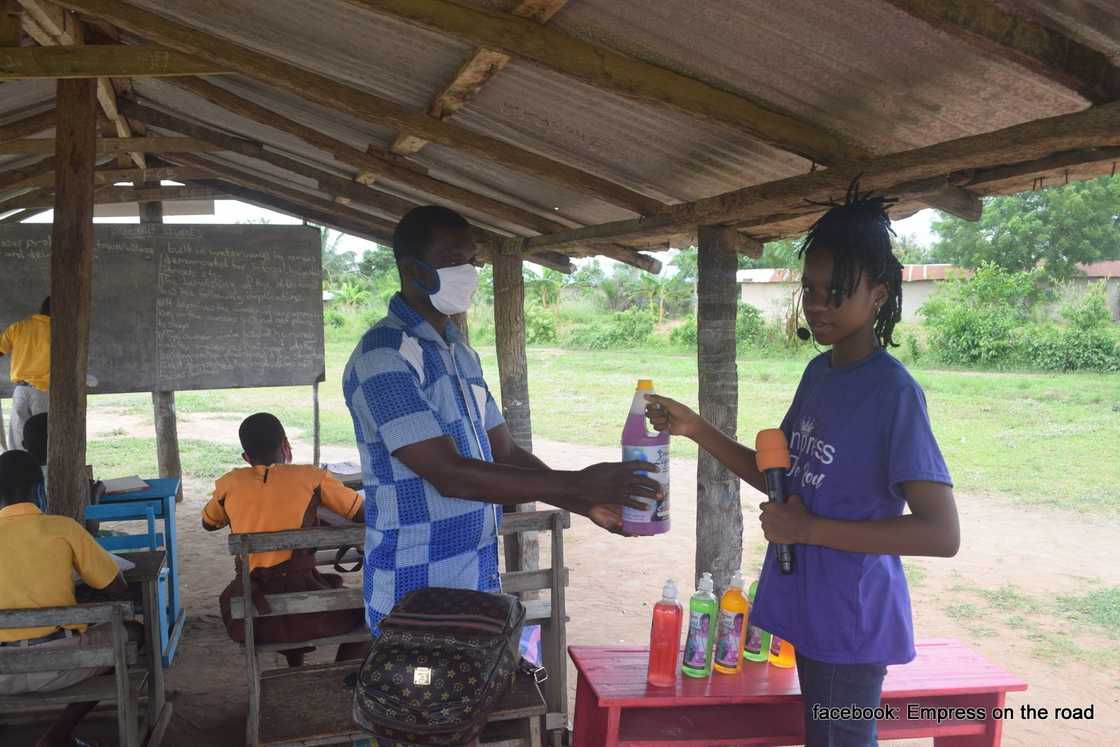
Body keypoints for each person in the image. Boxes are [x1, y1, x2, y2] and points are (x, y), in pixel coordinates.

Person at [647, 182, 959, 747]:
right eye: (811, 291)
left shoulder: (893, 394)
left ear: (880, 294)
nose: (818, 306)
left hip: (851, 612)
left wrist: (809, 529)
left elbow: (941, 533)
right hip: (810, 602)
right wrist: (695, 427)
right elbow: (779, 479)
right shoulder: (820, 375)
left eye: (836, 292)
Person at [343, 206, 661, 635]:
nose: (468, 273)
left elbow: (505, 452)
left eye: (471, 261)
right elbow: (449, 475)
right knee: (423, 698)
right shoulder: (383, 357)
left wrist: (586, 504)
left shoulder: (460, 353)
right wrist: (579, 482)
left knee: (470, 698)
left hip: (475, 580)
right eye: (454, 261)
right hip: (414, 589)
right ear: (411, 270)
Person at [202, 413, 368, 667]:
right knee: (371, 615)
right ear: (286, 446)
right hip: (310, 607)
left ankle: (295, 668)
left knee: (287, 587)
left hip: (252, 614)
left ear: (246, 457)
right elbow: (361, 513)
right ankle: (336, 676)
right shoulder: (313, 478)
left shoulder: (229, 484)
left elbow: (209, 523)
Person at [0, 449, 133, 747]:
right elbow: (118, 588)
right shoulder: (62, 528)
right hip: (58, 665)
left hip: (1, 673)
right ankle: (59, 733)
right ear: (39, 490)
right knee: (130, 634)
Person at [1, 297, 51, 451]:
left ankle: (20, 471)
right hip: (44, 392)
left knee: (17, 440)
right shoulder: (62, 332)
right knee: (43, 441)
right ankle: (42, 473)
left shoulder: (19, 327)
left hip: (21, 391)